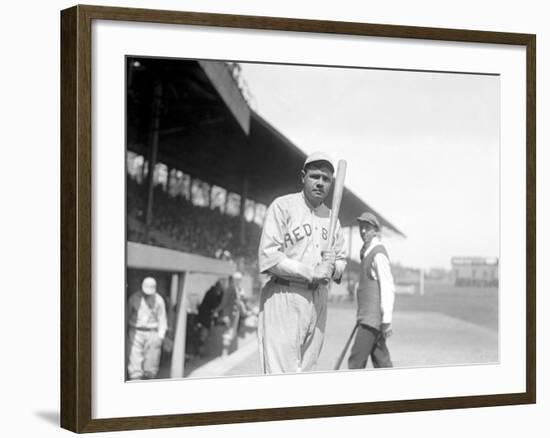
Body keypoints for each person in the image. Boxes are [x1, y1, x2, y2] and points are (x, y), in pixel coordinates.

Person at [257, 151, 347, 374]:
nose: (320, 183)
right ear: (302, 177)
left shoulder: (333, 219)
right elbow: (269, 257)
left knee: (307, 376)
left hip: (318, 300)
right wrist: (310, 271)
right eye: (315, 176)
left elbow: (342, 261)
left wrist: (333, 266)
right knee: (280, 376)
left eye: (326, 179)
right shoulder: (283, 206)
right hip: (284, 294)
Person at [348, 212, 395, 369]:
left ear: (376, 230)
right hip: (368, 318)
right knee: (382, 363)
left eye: (367, 227)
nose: (362, 231)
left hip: (371, 321)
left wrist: (386, 320)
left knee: (355, 363)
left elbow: (388, 287)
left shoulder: (378, 253)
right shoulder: (367, 252)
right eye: (361, 227)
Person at [126, 277, 168, 379]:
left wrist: (160, 336)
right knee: (135, 364)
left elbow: (162, 319)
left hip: (153, 333)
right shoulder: (134, 298)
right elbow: (126, 315)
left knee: (151, 365)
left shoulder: (159, 300)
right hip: (136, 332)